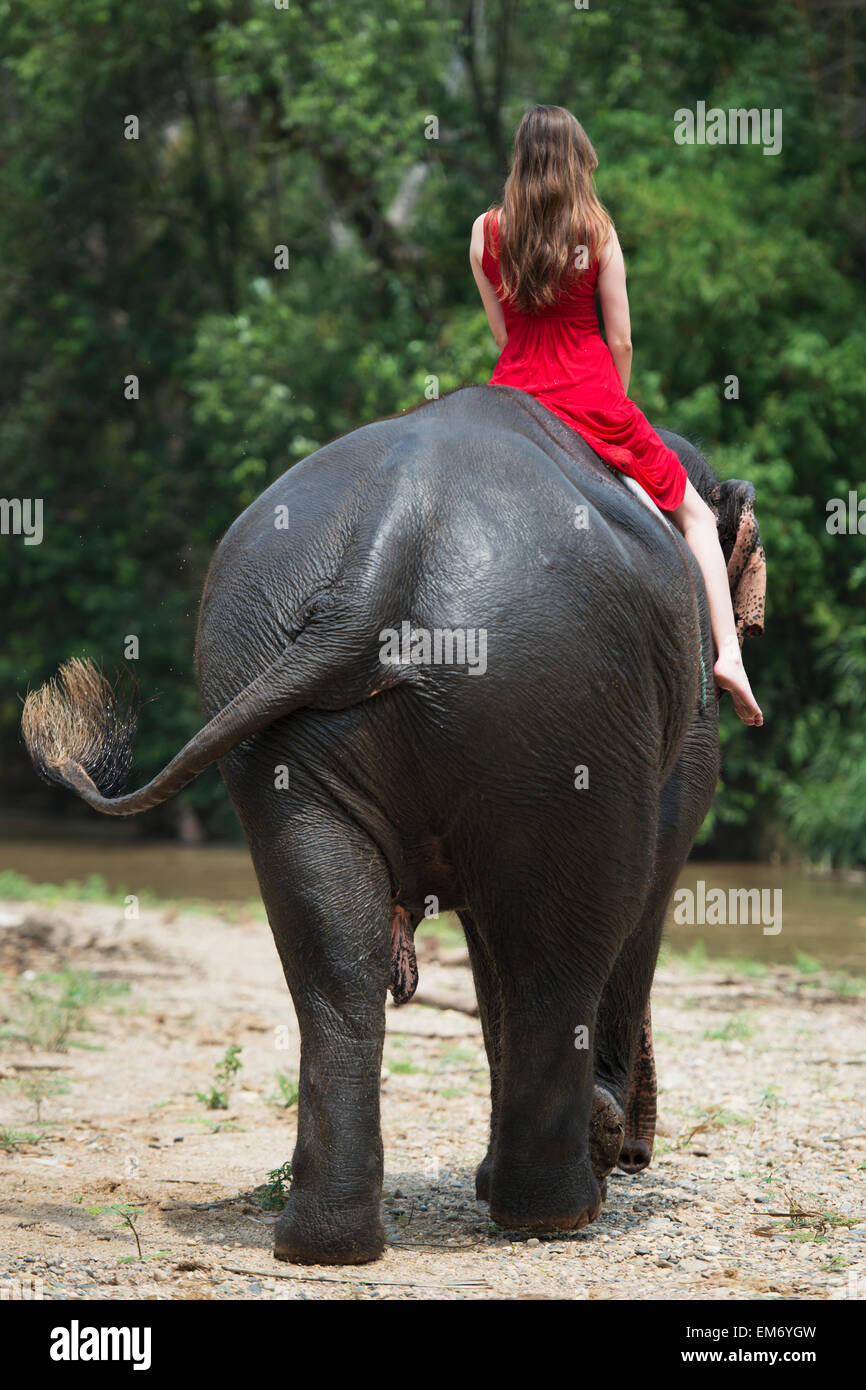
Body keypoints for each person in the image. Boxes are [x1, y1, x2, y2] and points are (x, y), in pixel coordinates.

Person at [470, 104, 763, 726]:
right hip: (591, 396)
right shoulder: (595, 230)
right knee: (696, 515)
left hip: (513, 398)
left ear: (520, 160)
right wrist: (614, 410)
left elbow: (504, 336)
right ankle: (730, 655)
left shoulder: (486, 233)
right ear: (577, 161)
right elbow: (622, 340)